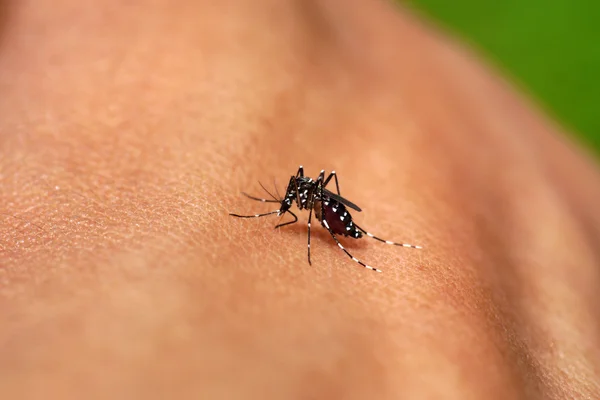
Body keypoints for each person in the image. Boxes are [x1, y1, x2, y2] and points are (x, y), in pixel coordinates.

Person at [1, 0, 599, 398]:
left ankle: (357, 246)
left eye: (292, 203)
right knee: (311, 192)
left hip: (336, 213)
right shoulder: (300, 194)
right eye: (293, 203)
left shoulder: (315, 201)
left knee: (326, 205)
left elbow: (315, 195)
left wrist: (330, 228)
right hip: (325, 206)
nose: (294, 204)